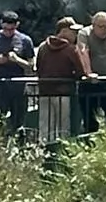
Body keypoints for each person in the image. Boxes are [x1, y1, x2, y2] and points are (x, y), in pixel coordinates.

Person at [33, 18, 88, 148]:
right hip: (63, 93)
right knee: (63, 127)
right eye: (73, 31)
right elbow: (81, 72)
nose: (75, 34)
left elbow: (38, 67)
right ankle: (62, 152)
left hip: (44, 92)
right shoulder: (70, 49)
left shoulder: (42, 47)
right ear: (63, 31)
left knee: (45, 126)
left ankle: (45, 153)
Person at [0, 11, 35, 137]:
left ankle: (18, 147)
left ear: (17, 25)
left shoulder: (25, 40)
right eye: (5, 29)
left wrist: (17, 60)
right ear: (1, 24)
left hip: (18, 87)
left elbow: (31, 66)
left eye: (12, 29)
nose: (8, 32)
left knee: (18, 122)